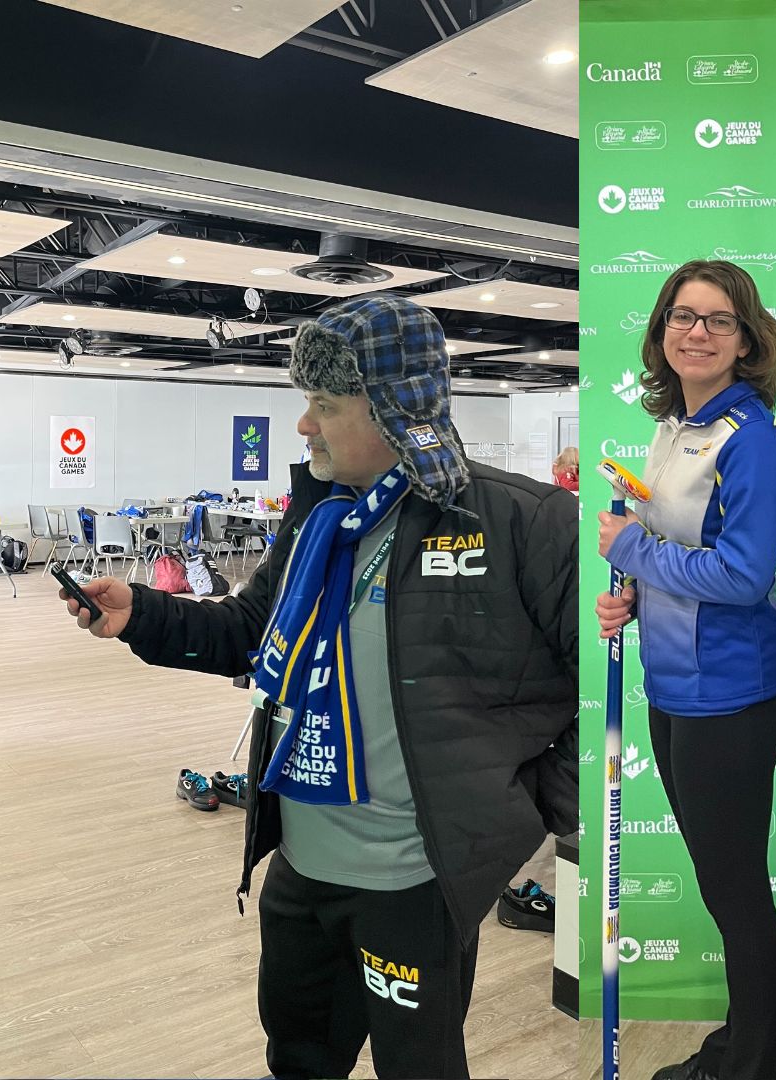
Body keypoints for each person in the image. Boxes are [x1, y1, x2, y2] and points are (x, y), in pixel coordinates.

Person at [61, 295, 578, 1079]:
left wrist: (520, 809)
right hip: (300, 868)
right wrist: (143, 616)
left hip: (413, 883)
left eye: (325, 405)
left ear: (395, 410)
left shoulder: (521, 523)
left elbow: (609, 693)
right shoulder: (321, 524)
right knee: (299, 1062)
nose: (304, 425)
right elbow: (246, 631)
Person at [596, 259, 776, 1080]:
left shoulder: (750, 439)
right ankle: (746, 1039)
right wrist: (635, 595)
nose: (697, 332)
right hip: (675, 684)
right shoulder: (675, 426)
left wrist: (634, 549)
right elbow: (684, 556)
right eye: (683, 316)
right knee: (722, 885)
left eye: (718, 320)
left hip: (732, 691)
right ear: (661, 331)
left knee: (735, 886)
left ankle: (757, 1060)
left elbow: (743, 577)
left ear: (746, 340)